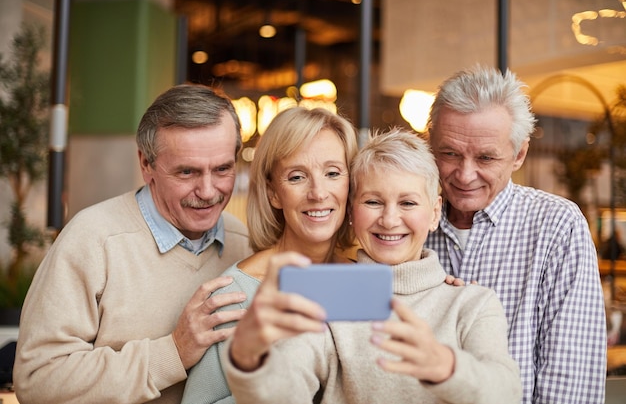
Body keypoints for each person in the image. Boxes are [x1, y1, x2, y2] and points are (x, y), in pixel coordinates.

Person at [221, 128, 522, 404]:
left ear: (434, 213)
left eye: (407, 203)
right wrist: (249, 360)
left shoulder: (472, 303)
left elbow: (506, 392)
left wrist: (446, 366)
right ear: (352, 211)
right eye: (373, 202)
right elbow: (284, 394)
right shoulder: (331, 298)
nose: (389, 220)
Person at [13, 84, 254, 404]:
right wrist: (174, 353)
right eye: (187, 172)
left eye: (222, 169)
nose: (209, 191)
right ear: (146, 165)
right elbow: (37, 380)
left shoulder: (246, 246)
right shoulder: (92, 240)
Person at [424, 65, 607, 404]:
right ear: (429, 142)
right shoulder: (407, 225)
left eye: (486, 157)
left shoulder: (557, 226)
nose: (465, 175)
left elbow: (569, 387)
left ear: (519, 154)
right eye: (449, 153)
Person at [181, 106, 359, 404]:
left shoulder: (365, 278)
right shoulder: (236, 294)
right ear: (273, 192)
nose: (318, 192)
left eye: (332, 173)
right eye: (297, 177)